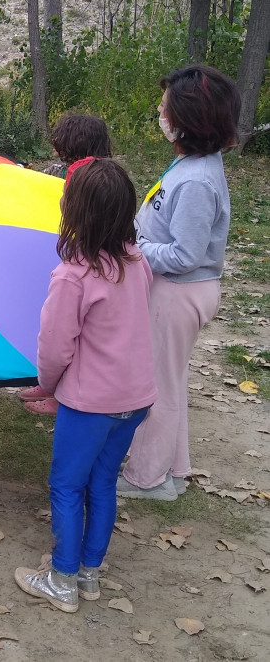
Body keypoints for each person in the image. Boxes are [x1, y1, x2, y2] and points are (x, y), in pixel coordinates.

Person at [14, 159, 157, 613]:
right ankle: (88, 573)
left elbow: (55, 347)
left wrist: (49, 387)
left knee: (67, 486)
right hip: (135, 400)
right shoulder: (137, 261)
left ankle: (62, 578)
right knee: (103, 484)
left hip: (90, 405)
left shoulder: (72, 275)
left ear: (75, 211)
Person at [117, 65, 241, 501]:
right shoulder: (190, 164)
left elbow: (186, 256)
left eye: (166, 105)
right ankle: (170, 466)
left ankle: (146, 479)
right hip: (173, 289)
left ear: (189, 116)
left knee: (158, 386)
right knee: (169, 380)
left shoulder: (197, 182)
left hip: (177, 292)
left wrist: (130, 247)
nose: (159, 110)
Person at [20, 113, 113, 417]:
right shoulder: (96, 170)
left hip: (86, 259)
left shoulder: (83, 173)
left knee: (72, 330)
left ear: (73, 142)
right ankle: (50, 386)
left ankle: (60, 394)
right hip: (87, 254)